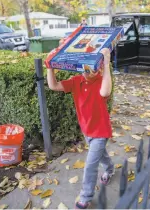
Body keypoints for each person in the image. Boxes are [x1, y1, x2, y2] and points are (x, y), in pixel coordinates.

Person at [46, 48, 114, 209]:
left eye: (90, 66)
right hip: (87, 130)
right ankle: (110, 168)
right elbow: (53, 86)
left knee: (91, 164)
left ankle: (85, 197)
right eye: (82, 65)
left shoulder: (102, 81)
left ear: (98, 67)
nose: (85, 70)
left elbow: (105, 91)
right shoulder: (77, 81)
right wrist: (50, 66)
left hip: (100, 131)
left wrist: (107, 63)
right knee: (100, 154)